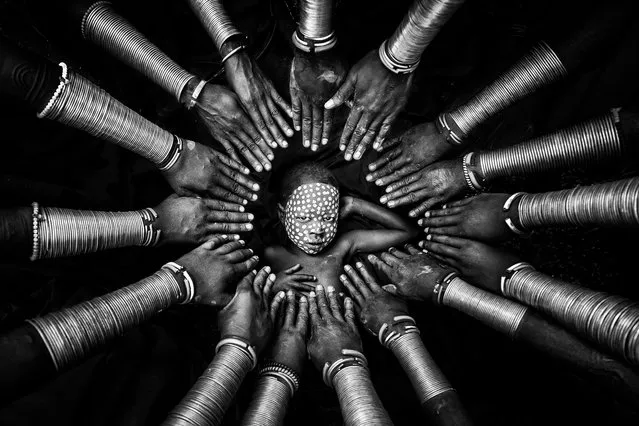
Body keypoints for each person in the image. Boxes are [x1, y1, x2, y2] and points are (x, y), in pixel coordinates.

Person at [264, 161, 417, 294]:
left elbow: (408, 231)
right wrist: (273, 285)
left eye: (328, 218)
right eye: (304, 218)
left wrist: (354, 204)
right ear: (283, 216)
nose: (317, 230)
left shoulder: (344, 245)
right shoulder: (271, 254)